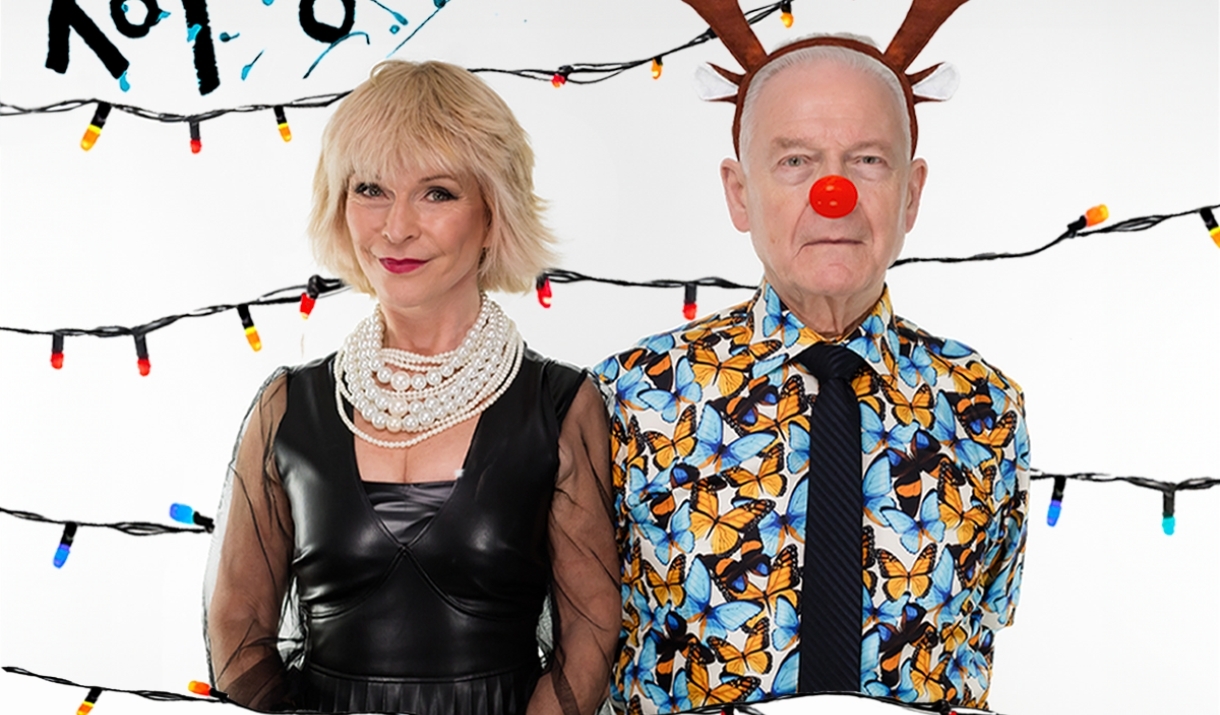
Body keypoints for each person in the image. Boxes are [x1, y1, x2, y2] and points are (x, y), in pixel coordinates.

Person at [595, 1, 1029, 712]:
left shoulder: (989, 407)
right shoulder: (627, 398)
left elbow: (986, 631)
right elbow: (577, 635)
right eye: (796, 162)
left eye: (868, 160)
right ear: (741, 193)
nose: (836, 195)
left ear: (911, 194)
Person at [203, 60, 620, 715]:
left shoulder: (559, 406)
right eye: (370, 188)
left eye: (437, 193)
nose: (396, 228)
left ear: (492, 212)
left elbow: (591, 632)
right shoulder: (287, 407)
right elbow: (236, 632)